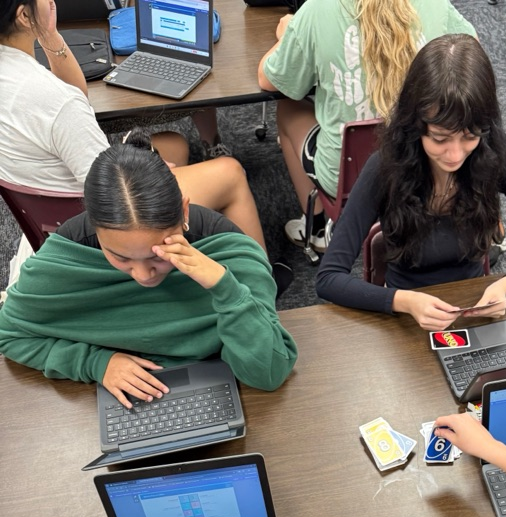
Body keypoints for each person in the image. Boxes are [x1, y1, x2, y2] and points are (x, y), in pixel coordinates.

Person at [0, 133, 298, 405]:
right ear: (96, 228)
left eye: (159, 255)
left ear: (184, 212)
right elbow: (8, 333)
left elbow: (267, 373)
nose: (143, 275)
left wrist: (226, 288)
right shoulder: (65, 258)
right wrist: (95, 363)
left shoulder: (230, 251)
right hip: (109, 397)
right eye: (120, 257)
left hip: (220, 392)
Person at [315, 35, 506, 331]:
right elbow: (329, 278)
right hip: (407, 319)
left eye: (470, 137)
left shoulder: (495, 149)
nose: (455, 154)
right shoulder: (385, 166)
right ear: (415, 125)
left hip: (477, 310)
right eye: (439, 138)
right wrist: (404, 302)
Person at [0, 0, 265, 243]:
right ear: (24, 15)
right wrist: (153, 174)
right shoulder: (57, 102)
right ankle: (259, 283)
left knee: (173, 144)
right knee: (231, 172)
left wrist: (48, 34)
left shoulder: (18, 74)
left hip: (47, 214)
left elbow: (76, 96)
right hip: (103, 218)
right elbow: (111, 187)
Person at [258, 0, 476, 253]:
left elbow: (269, 79)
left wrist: (285, 36)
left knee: (288, 108)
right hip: (427, 168)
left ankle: (316, 227)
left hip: (346, 178)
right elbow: (471, 58)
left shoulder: (317, 10)